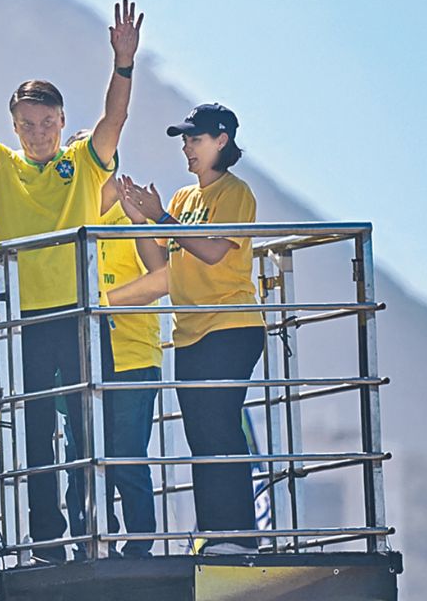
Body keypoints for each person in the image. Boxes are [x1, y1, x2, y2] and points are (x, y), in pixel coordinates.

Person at [0, 0, 144, 562]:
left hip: (82, 316)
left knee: (85, 431)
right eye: (26, 124)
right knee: (34, 437)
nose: (37, 133)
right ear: (15, 126)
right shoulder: (2, 167)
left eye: (47, 122)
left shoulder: (84, 162)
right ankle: (50, 541)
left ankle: (91, 532)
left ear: (60, 121)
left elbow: (114, 120)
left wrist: (123, 62)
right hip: (26, 321)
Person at [118, 103, 265, 555]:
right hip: (190, 331)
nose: (187, 147)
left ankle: (238, 534)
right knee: (200, 432)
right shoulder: (182, 200)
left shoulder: (234, 192)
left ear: (222, 141)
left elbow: (216, 251)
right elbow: (160, 263)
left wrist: (162, 218)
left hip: (230, 325)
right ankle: (215, 535)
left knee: (220, 426)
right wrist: (140, 218)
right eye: (185, 139)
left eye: (195, 139)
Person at [58, 131, 168, 559]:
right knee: (79, 460)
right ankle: (88, 544)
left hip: (131, 356)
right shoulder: (67, 220)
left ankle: (139, 546)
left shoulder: (131, 219)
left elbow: (164, 278)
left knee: (125, 456)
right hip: (77, 359)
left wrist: (101, 304)